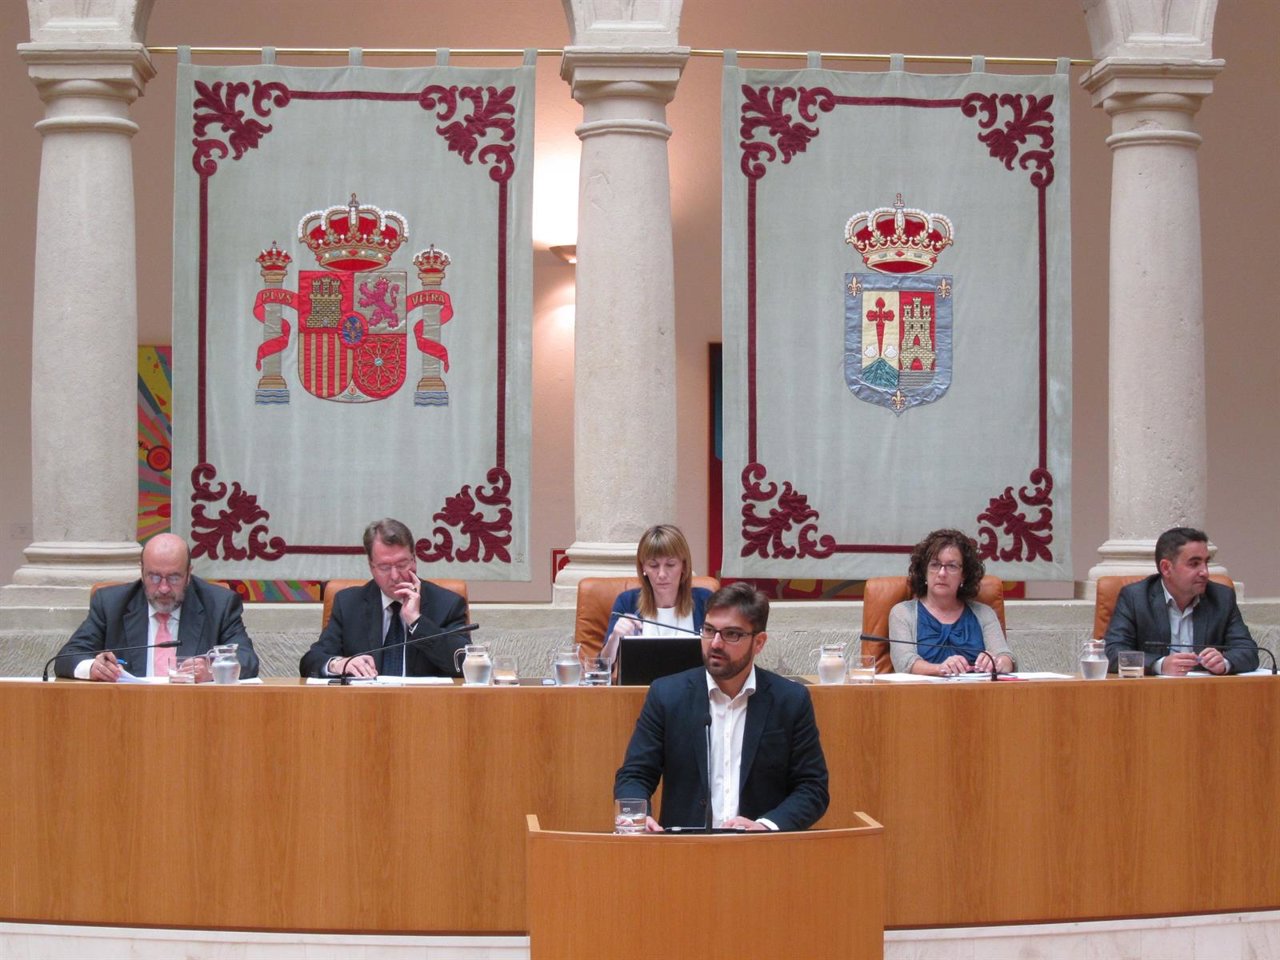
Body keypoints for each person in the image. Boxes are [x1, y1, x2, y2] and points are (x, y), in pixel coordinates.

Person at [613, 581, 829, 832]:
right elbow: (635, 775)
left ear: (758, 642)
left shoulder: (790, 700)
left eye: (731, 634)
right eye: (708, 630)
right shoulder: (668, 695)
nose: (715, 643)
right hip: (685, 854)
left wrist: (766, 826)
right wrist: (636, 817)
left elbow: (812, 788)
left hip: (762, 854)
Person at [53, 532, 259, 681]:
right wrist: (93, 668)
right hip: (127, 714)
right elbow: (66, 657)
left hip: (197, 715)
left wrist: (213, 670)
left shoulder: (219, 604)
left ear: (188, 574)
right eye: (154, 577)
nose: (163, 588)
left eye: (174, 578)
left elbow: (248, 659)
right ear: (142, 572)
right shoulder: (111, 604)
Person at [300, 518, 469, 678]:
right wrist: (339, 664)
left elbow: (464, 664)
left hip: (425, 706)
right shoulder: (349, 604)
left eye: (402, 565)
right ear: (371, 567)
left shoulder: (447, 604)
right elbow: (310, 662)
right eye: (384, 567)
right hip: (365, 705)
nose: (395, 576)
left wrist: (417, 622)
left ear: (414, 561)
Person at [1104, 527, 1258, 676]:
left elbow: (1248, 651)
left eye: (1206, 562)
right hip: (1152, 695)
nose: (1205, 572)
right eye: (1194, 564)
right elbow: (1112, 653)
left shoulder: (1221, 597)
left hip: (1207, 694)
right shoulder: (1135, 597)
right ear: (1166, 568)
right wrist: (1160, 664)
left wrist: (1224, 662)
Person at [888, 528, 1015, 676]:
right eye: (935, 565)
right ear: (924, 571)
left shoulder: (984, 613)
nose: (942, 573)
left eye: (952, 566)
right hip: (922, 696)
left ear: (964, 575)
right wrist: (940, 669)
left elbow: (1007, 658)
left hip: (977, 695)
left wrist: (997, 663)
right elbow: (904, 663)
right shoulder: (903, 613)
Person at [602, 524, 713, 661]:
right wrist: (614, 638)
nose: (661, 574)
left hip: (692, 683)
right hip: (642, 682)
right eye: (653, 565)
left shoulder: (705, 601)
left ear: (684, 566)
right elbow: (601, 668)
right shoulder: (627, 602)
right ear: (643, 567)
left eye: (670, 564)